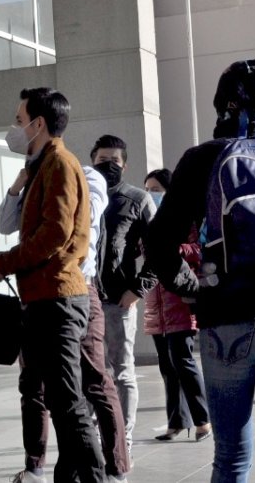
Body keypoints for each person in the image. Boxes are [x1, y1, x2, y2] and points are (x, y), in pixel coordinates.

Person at [136, 60, 255, 482]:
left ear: (220, 103)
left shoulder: (203, 159)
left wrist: (191, 288)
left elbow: (156, 243)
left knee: (231, 461)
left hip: (229, 320)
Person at [0, 87, 105, 483]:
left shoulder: (60, 165)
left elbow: (55, 234)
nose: (15, 129)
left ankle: (98, 477)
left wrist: (6, 263)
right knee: (60, 399)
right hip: (46, 297)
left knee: (68, 401)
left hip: (58, 299)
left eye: (19, 121)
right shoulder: (44, 165)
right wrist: (2, 259)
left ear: (39, 124)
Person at [0, 162, 129, 482]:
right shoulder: (31, 184)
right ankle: (34, 468)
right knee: (32, 385)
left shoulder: (87, 176)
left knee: (96, 380)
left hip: (77, 291)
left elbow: (81, 218)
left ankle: (116, 470)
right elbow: (4, 225)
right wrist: (18, 186)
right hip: (35, 296)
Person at [90, 134, 156, 458]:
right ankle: (91, 442)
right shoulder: (83, 195)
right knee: (89, 372)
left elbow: (161, 251)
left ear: (125, 165)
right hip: (85, 301)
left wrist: (137, 290)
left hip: (119, 301)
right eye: (103, 160)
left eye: (114, 161)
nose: (108, 166)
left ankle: (122, 442)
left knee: (122, 371)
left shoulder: (138, 199)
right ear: (92, 161)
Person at [141, 169, 210, 442]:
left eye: (156, 189)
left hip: (179, 298)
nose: (150, 194)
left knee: (183, 360)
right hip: (155, 300)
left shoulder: (184, 219)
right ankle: (176, 421)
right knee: (166, 365)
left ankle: (203, 420)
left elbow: (200, 248)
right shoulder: (147, 221)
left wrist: (179, 248)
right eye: (147, 189)